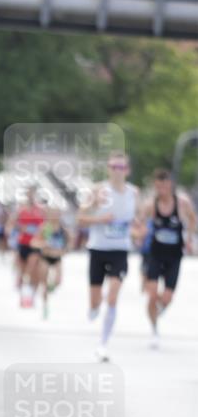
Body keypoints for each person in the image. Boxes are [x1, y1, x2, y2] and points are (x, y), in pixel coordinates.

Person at [77, 151, 138, 362]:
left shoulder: (134, 193)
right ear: (108, 169)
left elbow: (137, 221)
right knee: (96, 302)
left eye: (121, 167)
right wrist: (100, 217)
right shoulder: (97, 190)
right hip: (98, 250)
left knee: (112, 296)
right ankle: (93, 306)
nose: (117, 171)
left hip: (120, 251)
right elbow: (80, 219)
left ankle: (102, 344)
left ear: (127, 170)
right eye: (113, 167)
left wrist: (138, 230)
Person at [136, 168, 196, 349]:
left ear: (170, 185)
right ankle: (154, 330)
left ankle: (157, 313)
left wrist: (189, 239)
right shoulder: (151, 204)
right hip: (155, 255)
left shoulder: (182, 203)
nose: (161, 191)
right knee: (152, 295)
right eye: (158, 187)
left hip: (174, 256)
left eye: (164, 187)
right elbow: (139, 222)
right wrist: (140, 233)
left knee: (167, 298)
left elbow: (193, 220)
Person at [8, 187, 45, 307]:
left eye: (32, 194)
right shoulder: (21, 210)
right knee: (23, 273)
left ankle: (32, 296)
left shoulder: (41, 210)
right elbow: (12, 224)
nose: (30, 197)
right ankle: (23, 297)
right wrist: (14, 233)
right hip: (22, 243)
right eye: (28, 195)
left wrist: (41, 235)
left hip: (35, 245)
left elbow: (45, 226)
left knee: (32, 270)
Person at [32, 208, 71, 319]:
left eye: (56, 214)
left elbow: (69, 245)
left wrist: (65, 250)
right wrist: (43, 244)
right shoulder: (44, 228)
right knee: (44, 283)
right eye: (52, 214)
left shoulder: (63, 229)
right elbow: (33, 242)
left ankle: (49, 290)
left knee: (58, 281)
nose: (54, 216)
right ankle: (45, 306)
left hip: (57, 258)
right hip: (45, 258)